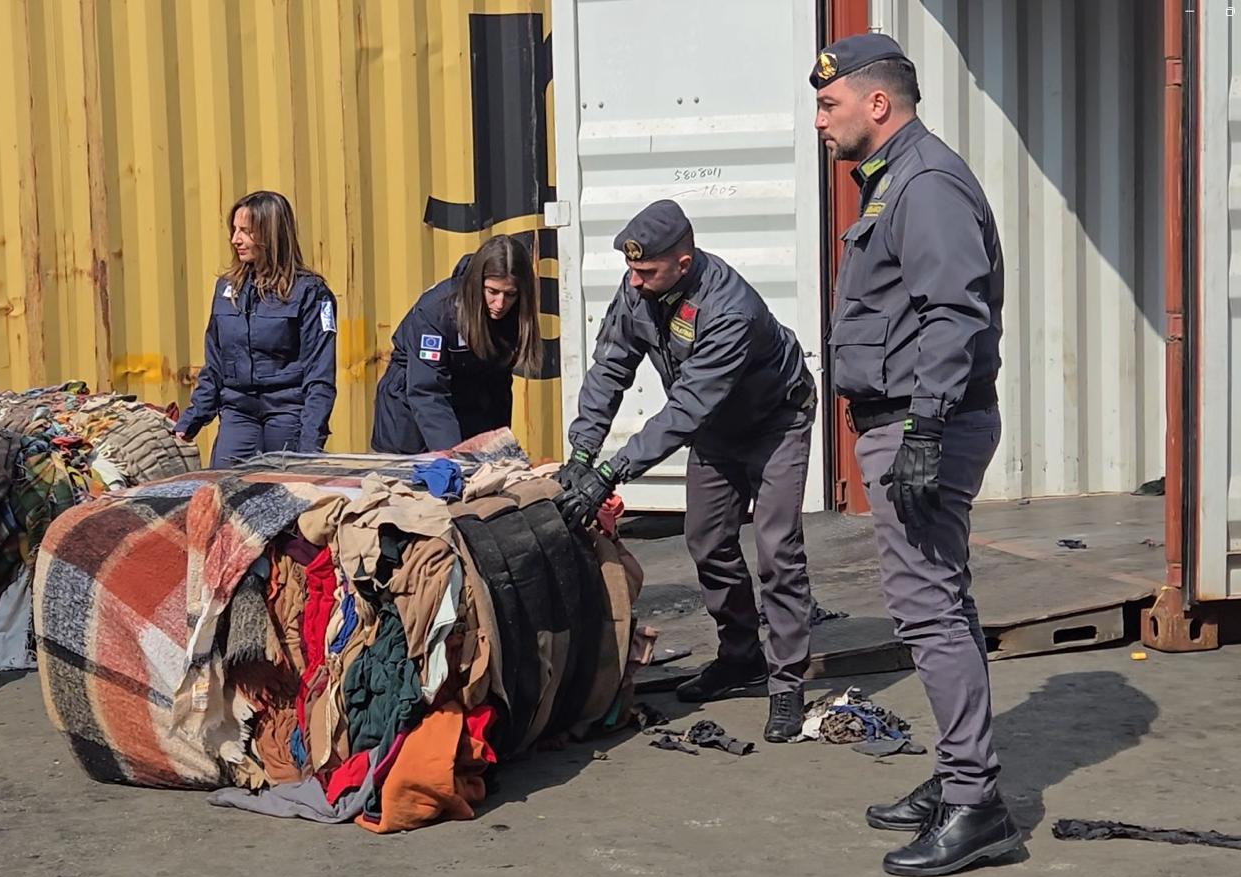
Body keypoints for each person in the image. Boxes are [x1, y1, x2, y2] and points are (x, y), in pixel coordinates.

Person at [812, 33, 1018, 877]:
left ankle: (977, 807)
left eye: (829, 104)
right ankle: (959, 775)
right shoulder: (895, 180)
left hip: (922, 424)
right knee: (943, 603)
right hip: (904, 419)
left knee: (926, 609)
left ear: (877, 104)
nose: (820, 121)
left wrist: (926, 429)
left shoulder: (923, 184)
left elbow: (953, 314)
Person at [553, 198, 818, 743]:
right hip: (716, 429)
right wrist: (581, 453)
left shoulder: (729, 308)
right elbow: (610, 368)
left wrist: (612, 472)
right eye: (631, 268)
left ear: (684, 260)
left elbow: (688, 406)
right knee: (706, 541)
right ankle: (740, 656)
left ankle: (787, 681)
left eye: (646, 271)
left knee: (777, 550)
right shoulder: (640, 294)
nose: (635, 280)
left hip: (775, 422)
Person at [175, 191, 338, 467]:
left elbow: (319, 376)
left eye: (246, 232)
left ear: (270, 235)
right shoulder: (227, 289)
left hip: (288, 413)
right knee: (222, 493)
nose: (235, 239)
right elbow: (215, 364)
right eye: (234, 230)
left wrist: (310, 446)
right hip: (238, 412)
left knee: (281, 499)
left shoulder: (311, 292)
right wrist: (192, 419)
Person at [370, 235, 541, 453]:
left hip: (470, 401)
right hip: (411, 417)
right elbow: (427, 391)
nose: (500, 304)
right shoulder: (436, 311)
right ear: (477, 283)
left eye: (510, 294)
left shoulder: (514, 314)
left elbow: (498, 386)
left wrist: (496, 446)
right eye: (492, 292)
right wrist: (452, 457)